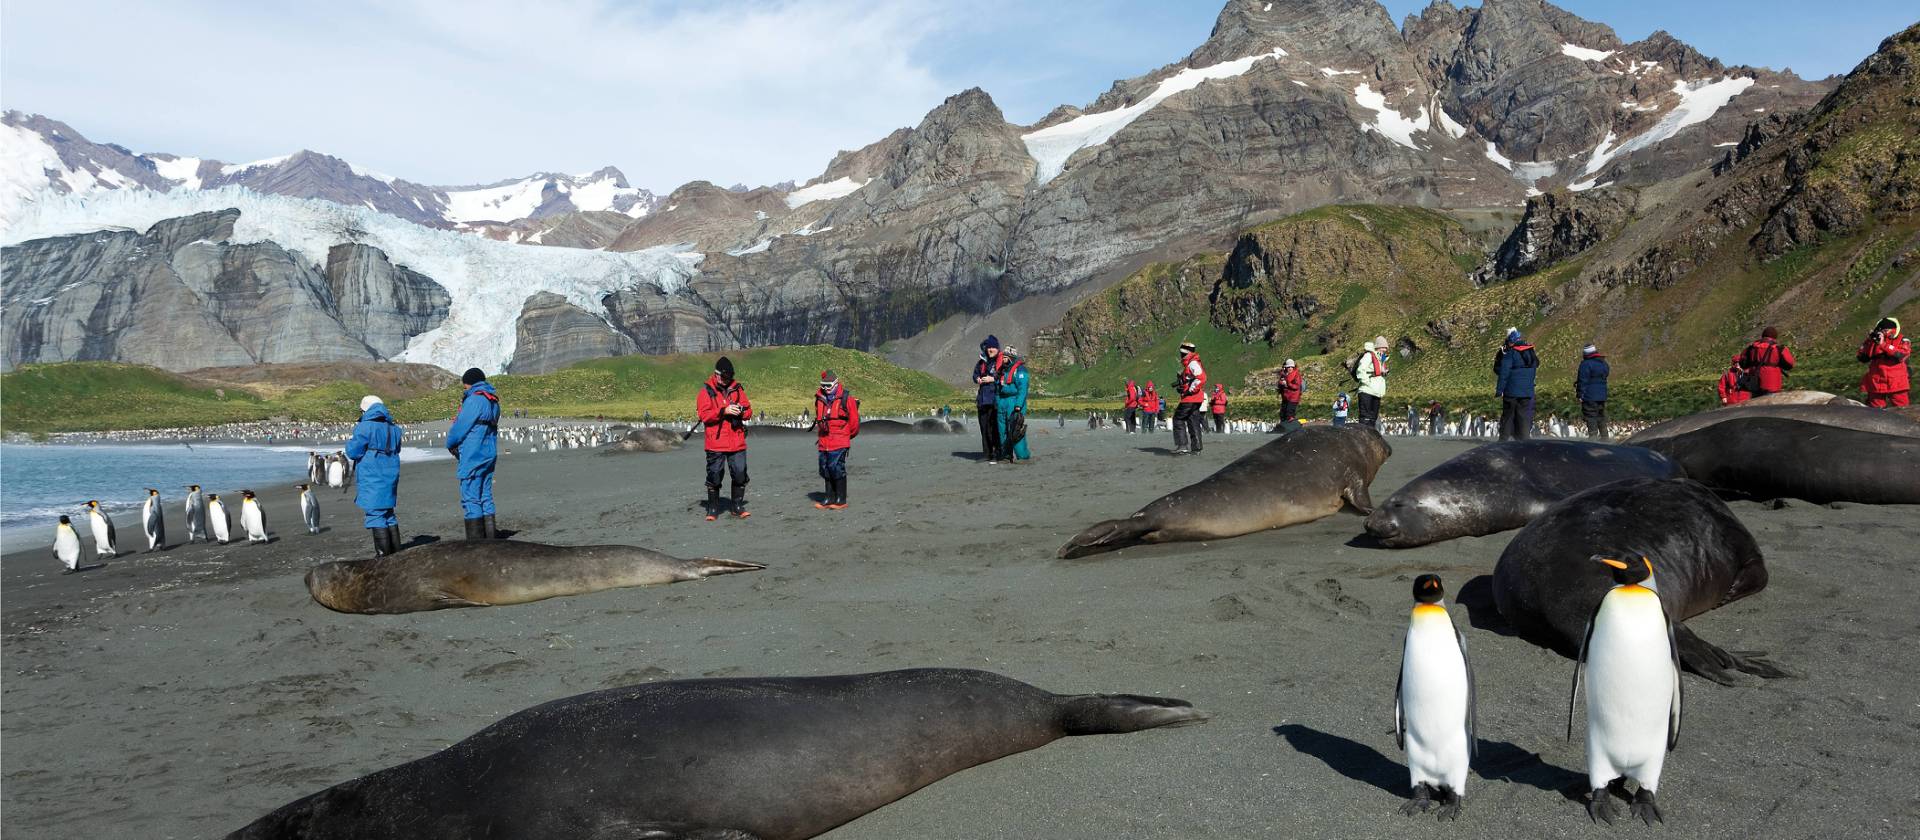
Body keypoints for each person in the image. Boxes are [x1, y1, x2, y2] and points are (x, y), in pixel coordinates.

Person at [446, 368, 501, 539]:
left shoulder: (474, 400)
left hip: (473, 454)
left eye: (464, 385)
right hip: (489, 453)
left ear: (469, 382)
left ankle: (476, 545)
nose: (464, 389)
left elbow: (460, 427)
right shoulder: (493, 401)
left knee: (470, 498)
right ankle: (491, 541)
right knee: (485, 495)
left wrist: (450, 443)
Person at [346, 395, 403, 556]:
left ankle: (383, 556)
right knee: (388, 513)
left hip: (372, 473)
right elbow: (397, 448)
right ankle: (398, 555)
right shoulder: (394, 428)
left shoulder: (365, 427)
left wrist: (350, 443)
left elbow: (353, 451)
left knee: (375, 513)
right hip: (391, 472)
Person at [697, 356, 753, 520]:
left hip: (737, 441)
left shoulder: (737, 389)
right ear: (717, 374)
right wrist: (724, 411)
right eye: (725, 377)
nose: (727, 380)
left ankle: (736, 506)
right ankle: (713, 508)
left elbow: (749, 411)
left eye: (730, 377)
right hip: (716, 442)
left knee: (740, 473)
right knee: (714, 475)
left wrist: (741, 411)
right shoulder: (706, 391)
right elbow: (704, 416)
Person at [812, 370, 859, 510]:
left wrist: (845, 437)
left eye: (828, 385)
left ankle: (840, 498)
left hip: (839, 440)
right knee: (825, 468)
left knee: (836, 468)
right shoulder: (819, 398)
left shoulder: (846, 398)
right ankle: (829, 497)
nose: (825, 388)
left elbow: (854, 423)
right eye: (823, 385)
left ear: (836, 383)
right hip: (824, 441)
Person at [1493, 329, 1539, 441]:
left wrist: (1499, 390)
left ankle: (1503, 441)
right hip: (1527, 391)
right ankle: (1524, 440)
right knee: (1523, 417)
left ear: (1511, 341)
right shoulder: (1531, 353)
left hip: (1511, 391)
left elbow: (1504, 373)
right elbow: (1536, 365)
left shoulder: (1510, 353)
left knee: (1508, 416)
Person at [1857, 317, 1911, 408]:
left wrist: (1883, 345)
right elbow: (1862, 357)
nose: (1883, 332)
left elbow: (1902, 355)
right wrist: (1869, 341)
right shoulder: (1874, 340)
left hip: (1896, 381)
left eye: (1885, 330)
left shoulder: (1903, 340)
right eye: (1881, 330)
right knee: (1875, 412)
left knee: (1903, 409)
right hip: (1876, 381)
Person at [1738, 326, 1796, 397]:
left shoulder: (1752, 347)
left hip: (1755, 384)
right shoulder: (1779, 348)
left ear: (1763, 336)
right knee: (1771, 407)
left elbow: (1742, 362)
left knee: (1757, 406)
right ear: (1775, 337)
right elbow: (1790, 364)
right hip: (1773, 385)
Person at [996, 346, 1031, 462]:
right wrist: (996, 402)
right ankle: (1006, 455)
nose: (1003, 359)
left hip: (1014, 402)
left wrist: (1018, 405)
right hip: (1002, 403)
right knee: (1003, 431)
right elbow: (997, 388)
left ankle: (1022, 456)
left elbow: (1023, 389)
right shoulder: (1002, 370)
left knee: (1016, 430)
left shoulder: (1020, 370)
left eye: (1005, 357)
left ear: (1011, 357)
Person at [1172, 342, 1208, 454]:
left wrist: (1189, 390)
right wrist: (1182, 387)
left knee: (1178, 419)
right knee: (1193, 421)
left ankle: (1182, 445)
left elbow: (1202, 378)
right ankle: (1196, 448)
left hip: (1190, 398)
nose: (1180, 355)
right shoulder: (1191, 364)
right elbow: (1190, 379)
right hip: (1196, 398)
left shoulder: (1192, 363)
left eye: (1182, 353)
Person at [973, 336, 1004, 463]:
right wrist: (978, 379)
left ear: (997, 348)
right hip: (982, 400)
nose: (990, 349)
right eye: (989, 347)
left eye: (993, 347)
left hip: (994, 400)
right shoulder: (982, 362)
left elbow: (1005, 376)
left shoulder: (1001, 361)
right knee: (984, 427)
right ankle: (987, 453)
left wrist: (993, 379)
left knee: (995, 428)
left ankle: (998, 452)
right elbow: (975, 375)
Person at [1353, 336, 1389, 429]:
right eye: (1383, 347)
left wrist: (1383, 372)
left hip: (1377, 392)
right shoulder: (1369, 355)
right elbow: (1360, 370)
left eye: (1386, 348)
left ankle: (1370, 439)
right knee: (1365, 418)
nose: (1384, 349)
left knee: (1373, 418)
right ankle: (1362, 438)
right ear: (1377, 347)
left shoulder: (1381, 359)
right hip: (1366, 390)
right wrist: (1367, 382)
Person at [1576, 344, 1611, 438]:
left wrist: (1580, 395)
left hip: (1589, 395)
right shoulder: (1603, 363)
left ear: (1585, 353)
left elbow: (1582, 380)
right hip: (1602, 395)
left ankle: (1593, 438)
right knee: (1600, 416)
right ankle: (1605, 438)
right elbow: (1606, 373)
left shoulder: (1586, 364)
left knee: (1590, 416)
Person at [1278, 359, 1303, 423]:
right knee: (1282, 413)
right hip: (1286, 397)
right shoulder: (1284, 374)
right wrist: (1281, 383)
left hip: (1293, 397)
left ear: (1293, 367)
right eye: (1288, 367)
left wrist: (1287, 384)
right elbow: (1280, 382)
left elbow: (1296, 386)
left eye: (1291, 367)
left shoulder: (1296, 374)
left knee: (1290, 413)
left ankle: (1291, 425)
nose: (1290, 368)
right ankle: (1283, 425)